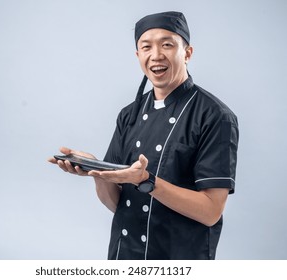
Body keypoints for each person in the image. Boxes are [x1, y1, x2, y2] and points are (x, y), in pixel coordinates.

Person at [48, 11, 239, 260]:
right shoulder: (129, 114)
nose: (156, 55)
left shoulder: (215, 116)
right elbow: (117, 204)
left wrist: (146, 181)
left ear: (188, 53)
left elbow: (211, 211)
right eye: (146, 47)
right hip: (123, 256)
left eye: (167, 44)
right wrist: (96, 172)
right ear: (138, 56)